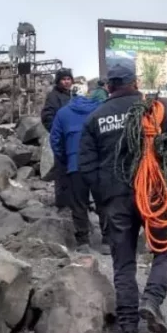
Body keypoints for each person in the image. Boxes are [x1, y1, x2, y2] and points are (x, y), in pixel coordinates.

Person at [78, 62, 167, 333]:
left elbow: (86, 165)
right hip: (153, 193)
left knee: (123, 260)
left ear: (110, 86)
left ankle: (128, 328)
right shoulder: (154, 108)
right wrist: (159, 163)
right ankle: (151, 299)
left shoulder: (96, 118)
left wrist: (103, 196)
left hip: (115, 199)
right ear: (135, 82)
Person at [50, 83, 108, 252]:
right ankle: (107, 241)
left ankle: (83, 242)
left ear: (72, 96)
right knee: (103, 201)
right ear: (87, 94)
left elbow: (55, 140)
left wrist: (66, 158)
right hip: (98, 164)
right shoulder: (100, 109)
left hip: (75, 165)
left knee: (79, 203)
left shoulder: (63, 113)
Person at [41, 68, 75, 208]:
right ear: (58, 81)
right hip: (62, 140)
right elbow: (47, 117)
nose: (66, 82)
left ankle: (73, 202)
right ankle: (62, 204)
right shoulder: (53, 96)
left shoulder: (72, 95)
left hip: (72, 140)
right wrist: (58, 133)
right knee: (61, 172)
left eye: (68, 79)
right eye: (63, 79)